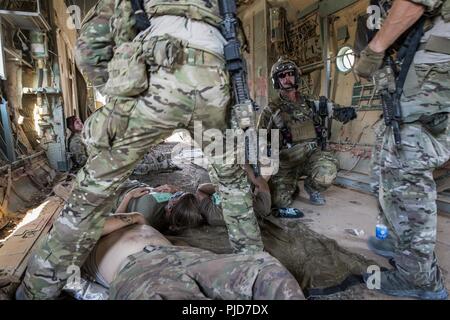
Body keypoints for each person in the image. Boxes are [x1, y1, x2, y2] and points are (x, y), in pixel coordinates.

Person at [17, 0, 263, 300]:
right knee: (233, 185)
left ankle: (36, 291)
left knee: (91, 193)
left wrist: (120, 88)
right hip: (215, 85)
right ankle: (256, 276)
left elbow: (89, 47)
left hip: (158, 81)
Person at [355, 0, 450, 300]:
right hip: (413, 86)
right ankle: (400, 245)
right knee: (387, 168)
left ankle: (420, 280)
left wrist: (375, 49)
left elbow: (413, 3)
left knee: (407, 182)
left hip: (426, 85)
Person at [78, 213, 305, 300]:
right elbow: (87, 227)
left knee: (264, 269)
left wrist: (128, 206)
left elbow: (134, 219)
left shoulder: (115, 219)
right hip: (142, 271)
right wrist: (132, 216)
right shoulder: (73, 237)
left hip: (185, 256)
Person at [257, 57, 357, 209]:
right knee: (279, 202)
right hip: (287, 160)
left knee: (326, 173)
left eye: (290, 74)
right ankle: (290, 186)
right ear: (277, 81)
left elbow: (330, 108)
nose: (287, 78)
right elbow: (260, 137)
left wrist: (343, 112)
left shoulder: (311, 101)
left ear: (295, 76)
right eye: (282, 76)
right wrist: (268, 149)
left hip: (312, 155)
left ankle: (313, 188)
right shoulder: (271, 109)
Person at [197, 164, 272, 225]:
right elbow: (261, 183)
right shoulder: (263, 208)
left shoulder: (213, 215)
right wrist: (248, 168)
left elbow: (201, 190)